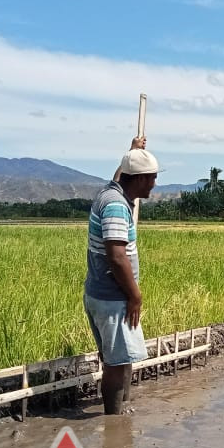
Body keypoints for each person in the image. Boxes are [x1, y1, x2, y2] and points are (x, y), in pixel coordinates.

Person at [83, 136, 159, 415]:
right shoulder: (115, 206)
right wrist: (135, 296)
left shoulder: (112, 191)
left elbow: (121, 172)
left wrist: (133, 151)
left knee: (122, 356)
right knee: (115, 363)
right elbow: (117, 257)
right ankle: (114, 421)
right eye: (151, 178)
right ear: (138, 180)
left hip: (104, 293)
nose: (154, 184)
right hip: (113, 297)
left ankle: (123, 407)